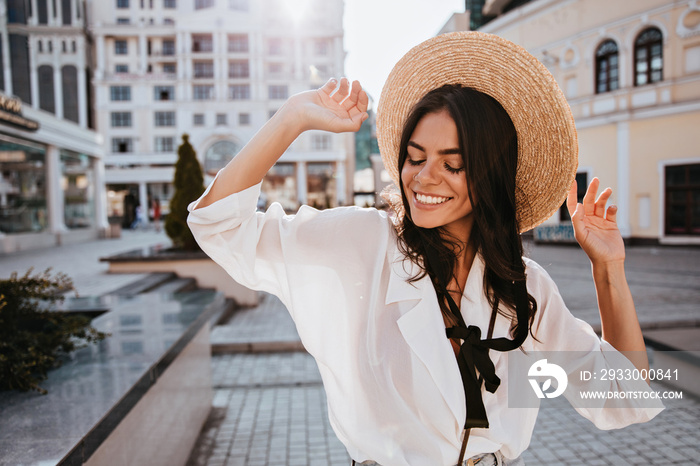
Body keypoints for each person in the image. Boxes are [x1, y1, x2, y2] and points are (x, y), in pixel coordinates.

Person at [187, 32, 663, 466]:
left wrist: (609, 268)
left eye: (452, 164)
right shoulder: (364, 243)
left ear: (489, 175)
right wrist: (292, 116)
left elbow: (626, 396)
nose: (423, 177)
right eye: (415, 157)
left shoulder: (523, 287)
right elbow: (219, 225)